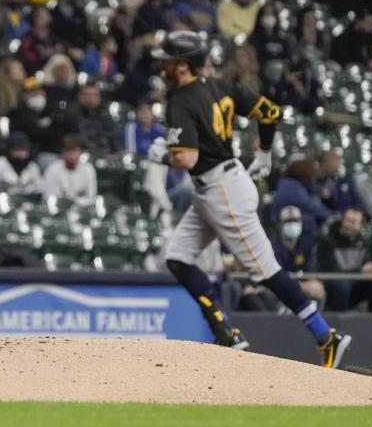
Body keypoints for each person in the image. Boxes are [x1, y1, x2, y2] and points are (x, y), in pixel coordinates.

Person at [148, 31, 351, 368]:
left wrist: (163, 155)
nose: (162, 66)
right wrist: (266, 152)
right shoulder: (221, 86)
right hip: (218, 185)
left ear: (183, 66)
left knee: (265, 270)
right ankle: (225, 330)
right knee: (178, 258)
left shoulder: (180, 99)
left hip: (220, 189)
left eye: (167, 60)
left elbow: (186, 159)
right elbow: (270, 112)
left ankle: (325, 335)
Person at [317, 207, 372, 313]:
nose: (349, 225)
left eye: (354, 222)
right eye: (347, 220)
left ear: (360, 225)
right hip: (333, 285)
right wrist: (360, 272)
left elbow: (368, 263)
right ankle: (338, 321)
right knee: (341, 286)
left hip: (356, 284)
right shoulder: (328, 241)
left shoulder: (364, 242)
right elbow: (330, 270)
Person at [269, 205, 325, 303]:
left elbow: (310, 270)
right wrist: (304, 286)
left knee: (319, 290)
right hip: (279, 289)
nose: (292, 224)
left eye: (296, 220)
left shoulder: (305, 245)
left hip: (298, 287)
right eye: (288, 221)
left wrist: (312, 284)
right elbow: (277, 279)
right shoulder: (273, 247)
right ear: (280, 224)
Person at [271, 154, 333, 238]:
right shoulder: (290, 187)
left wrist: (320, 191)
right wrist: (334, 216)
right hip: (291, 235)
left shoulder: (293, 183)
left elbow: (312, 189)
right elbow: (311, 206)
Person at [42, 134, 98, 207]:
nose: (72, 155)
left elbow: (91, 197)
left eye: (75, 151)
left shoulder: (88, 169)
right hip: (58, 210)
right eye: (68, 151)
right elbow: (50, 197)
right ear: (63, 153)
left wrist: (75, 203)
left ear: (81, 152)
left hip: (81, 210)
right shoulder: (53, 169)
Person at [315, 150, 363, 214]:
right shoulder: (315, 183)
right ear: (322, 164)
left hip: (348, 217)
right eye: (330, 161)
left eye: (337, 161)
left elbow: (357, 201)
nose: (335, 164)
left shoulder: (345, 181)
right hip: (328, 219)